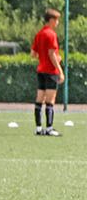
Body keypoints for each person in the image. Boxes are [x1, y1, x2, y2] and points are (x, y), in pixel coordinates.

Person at [33, 8, 64, 136]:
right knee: (50, 101)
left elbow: (33, 54)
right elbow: (51, 53)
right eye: (56, 20)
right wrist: (60, 69)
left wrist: (43, 57)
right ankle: (49, 128)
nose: (57, 23)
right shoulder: (51, 34)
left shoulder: (39, 34)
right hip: (51, 71)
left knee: (40, 99)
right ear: (51, 20)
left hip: (41, 70)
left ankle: (39, 128)